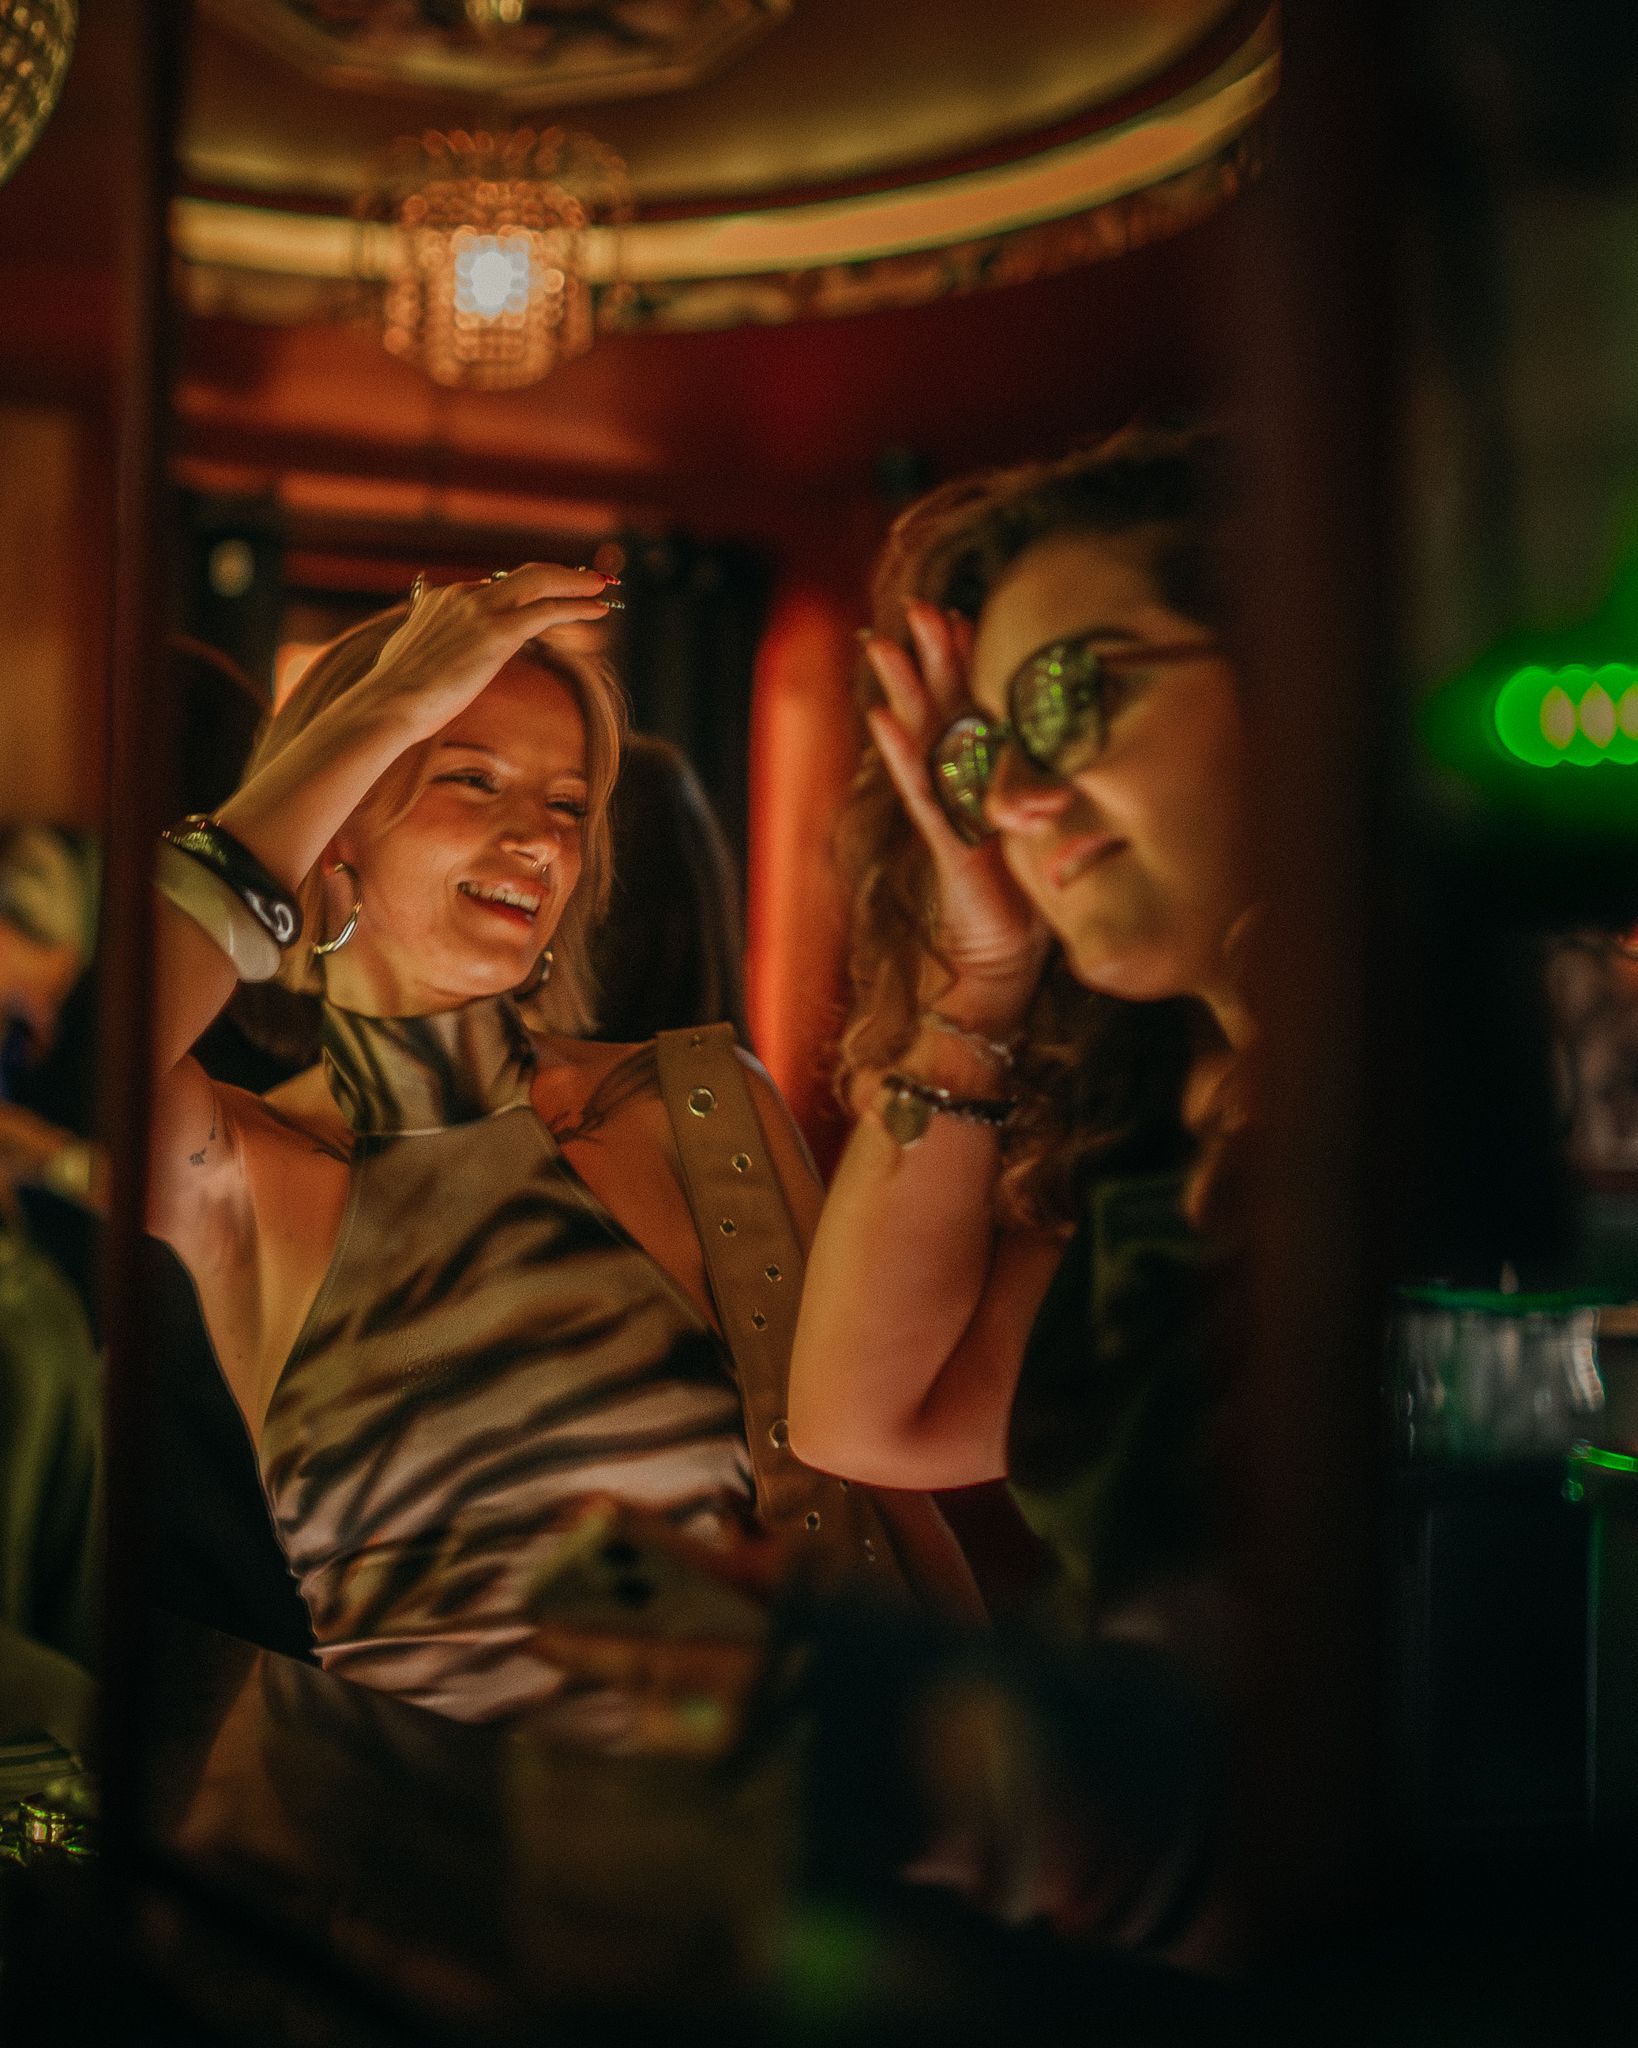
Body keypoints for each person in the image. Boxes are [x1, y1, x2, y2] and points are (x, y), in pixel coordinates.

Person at [147, 565, 970, 1741]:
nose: (534, 835)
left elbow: (883, 1494)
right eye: (468, 776)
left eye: (569, 804)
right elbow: (98, 1063)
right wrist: (391, 699)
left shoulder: (697, 1100)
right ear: (334, 834)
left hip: (764, 1856)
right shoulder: (253, 1162)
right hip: (427, 1870)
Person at [788, 425, 1252, 1661]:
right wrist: (983, 975)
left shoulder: (1517, 1062)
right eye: (983, 751)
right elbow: (864, 1417)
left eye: (1070, 694)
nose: (1011, 800)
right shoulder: (1162, 1155)